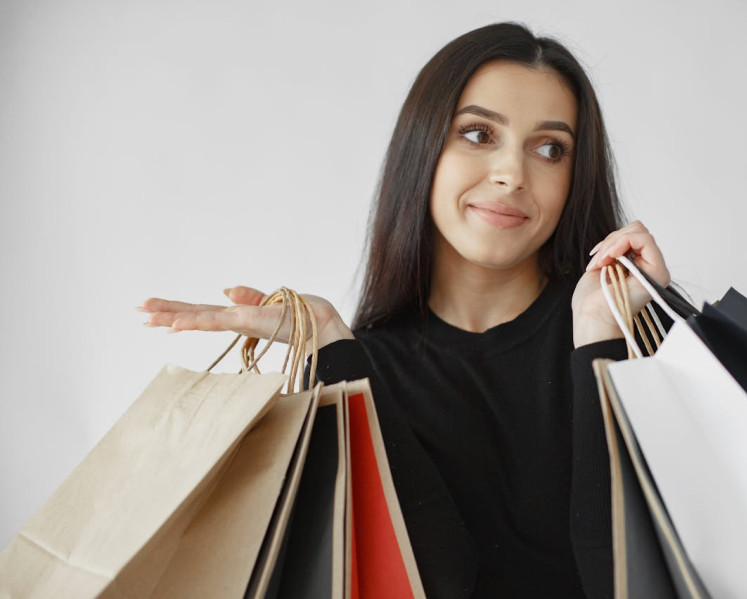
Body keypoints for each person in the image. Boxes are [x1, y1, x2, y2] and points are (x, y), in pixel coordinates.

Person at [141, 22, 671, 599]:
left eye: (549, 149)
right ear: (424, 147)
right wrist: (333, 348)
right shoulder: (359, 368)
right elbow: (424, 581)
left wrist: (601, 341)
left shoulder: (639, 341)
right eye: (477, 133)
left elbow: (638, 580)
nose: (512, 174)